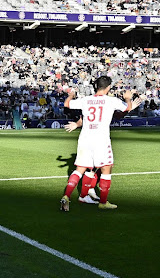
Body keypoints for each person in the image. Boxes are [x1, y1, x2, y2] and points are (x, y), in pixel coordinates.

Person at [59, 77, 142, 211]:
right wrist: (128, 98)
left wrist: (70, 96)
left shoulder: (86, 100)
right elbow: (127, 108)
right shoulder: (111, 100)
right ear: (108, 87)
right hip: (101, 139)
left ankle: (67, 196)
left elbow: (67, 104)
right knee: (106, 169)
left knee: (80, 169)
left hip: (85, 137)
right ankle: (103, 202)